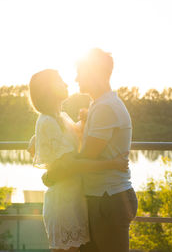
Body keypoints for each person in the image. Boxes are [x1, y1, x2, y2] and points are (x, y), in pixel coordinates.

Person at [46, 48, 137, 252]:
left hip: (109, 199)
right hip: (102, 197)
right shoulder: (99, 105)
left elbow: (85, 156)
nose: (76, 78)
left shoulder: (106, 107)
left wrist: (55, 170)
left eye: (80, 72)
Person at [29, 69, 129, 252]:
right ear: (48, 90)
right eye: (59, 81)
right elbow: (72, 164)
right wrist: (112, 164)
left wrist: (84, 122)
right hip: (63, 204)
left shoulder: (62, 118)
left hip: (75, 201)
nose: (67, 83)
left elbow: (76, 143)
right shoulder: (47, 121)